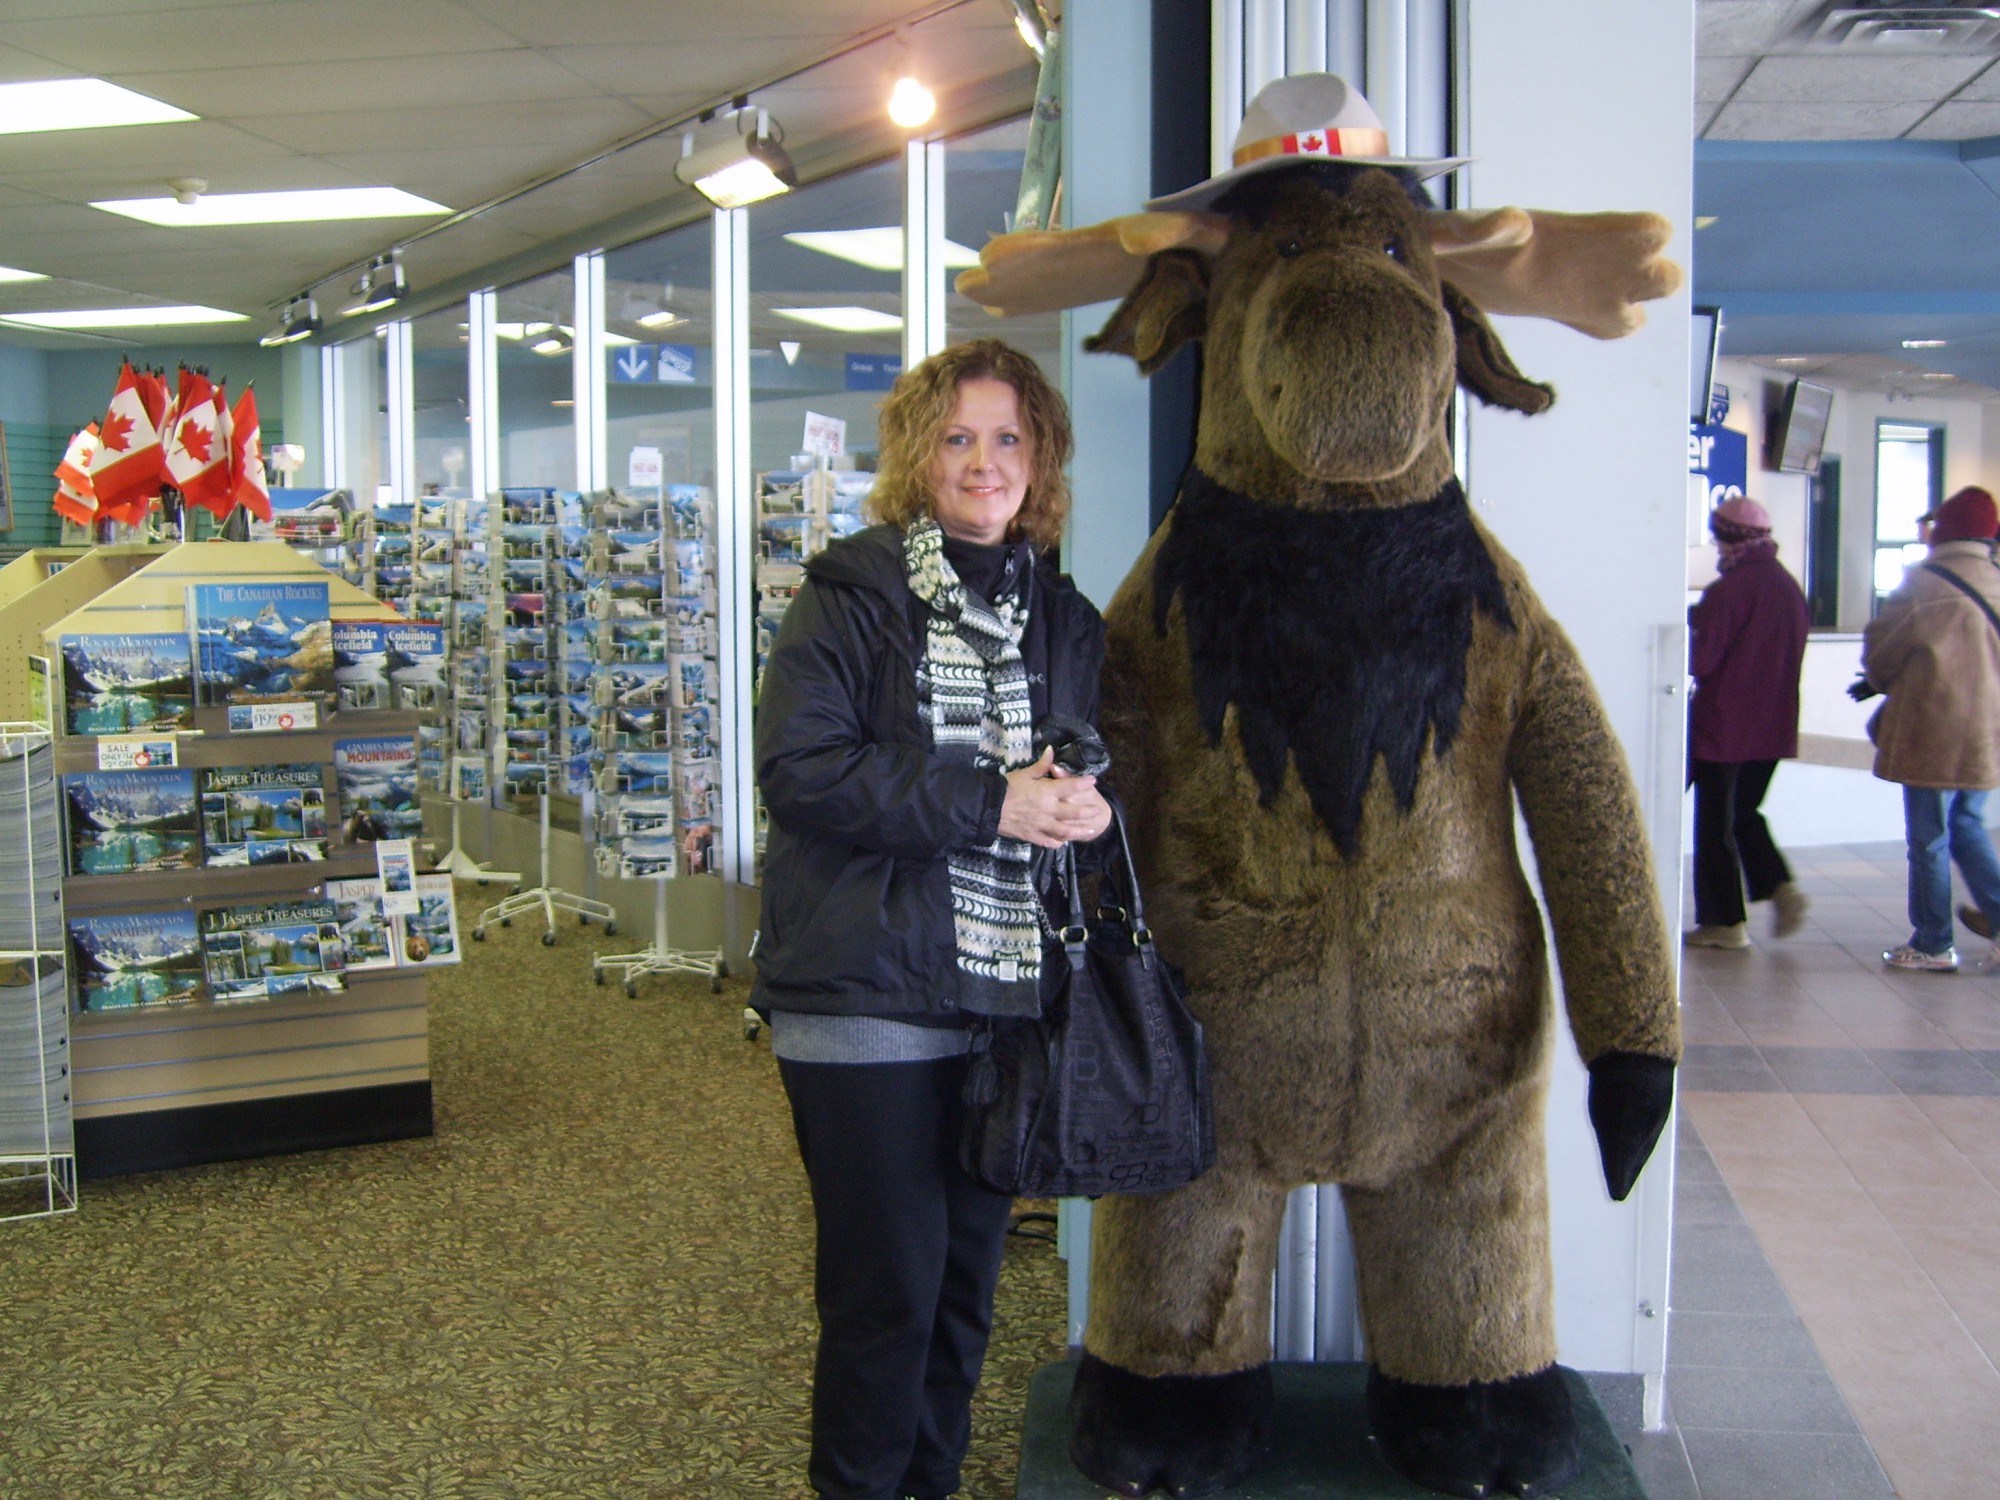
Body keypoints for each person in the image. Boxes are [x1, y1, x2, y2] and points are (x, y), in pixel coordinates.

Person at [752, 338, 1113, 1500]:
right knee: (886, 1297)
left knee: (964, 1294)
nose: (982, 461)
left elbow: (1074, 756)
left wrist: (1084, 803)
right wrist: (991, 802)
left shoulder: (1061, 614)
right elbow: (801, 770)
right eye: (956, 437)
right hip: (863, 991)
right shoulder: (850, 594)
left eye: (1007, 438)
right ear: (917, 456)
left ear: (1039, 457)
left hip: (998, 998)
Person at [1860, 484, 2000, 972]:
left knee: (1928, 838)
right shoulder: (1997, 580)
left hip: (1933, 728)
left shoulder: (1923, 584)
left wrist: (1880, 680)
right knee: (1968, 826)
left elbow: (1881, 654)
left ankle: (1934, 941)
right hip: (1989, 733)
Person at [1685, 495, 1811, 949]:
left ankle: (1724, 923)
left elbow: (1701, 660)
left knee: (1714, 824)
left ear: (1726, 538)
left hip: (1724, 727)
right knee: (1745, 812)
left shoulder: (1729, 590)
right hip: (1773, 725)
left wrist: (1694, 623)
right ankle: (1779, 884)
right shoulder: (1787, 587)